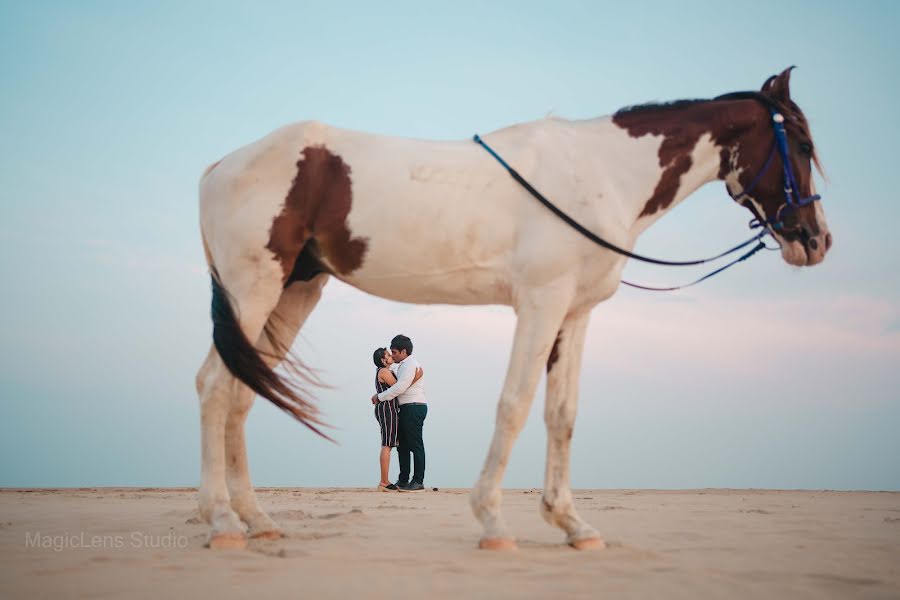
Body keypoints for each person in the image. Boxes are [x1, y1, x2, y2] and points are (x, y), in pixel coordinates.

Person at [371, 334, 427, 492]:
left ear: (403, 352)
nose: (392, 355)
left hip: (414, 406)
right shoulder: (400, 366)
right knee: (402, 446)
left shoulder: (410, 365)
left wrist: (379, 397)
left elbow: (399, 387)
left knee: (415, 444)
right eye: (390, 353)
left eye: (394, 352)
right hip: (403, 408)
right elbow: (398, 383)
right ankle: (403, 480)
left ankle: (417, 481)